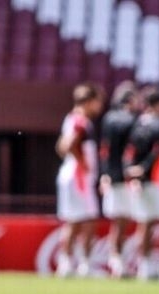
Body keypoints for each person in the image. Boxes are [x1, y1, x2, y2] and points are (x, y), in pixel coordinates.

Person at [124, 89, 159, 282]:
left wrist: (133, 171)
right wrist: (144, 169)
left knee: (145, 223)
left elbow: (129, 152)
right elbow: (158, 151)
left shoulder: (135, 124)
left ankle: (145, 267)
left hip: (140, 181)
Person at [55, 83, 106, 278]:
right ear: (89, 101)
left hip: (71, 175)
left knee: (73, 221)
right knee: (88, 220)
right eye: (98, 101)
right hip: (79, 179)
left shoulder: (70, 118)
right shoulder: (81, 121)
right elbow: (68, 145)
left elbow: (60, 146)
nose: (100, 106)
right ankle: (84, 264)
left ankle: (66, 263)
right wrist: (82, 162)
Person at [99, 82, 142, 278]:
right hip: (128, 178)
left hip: (113, 176)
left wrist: (104, 174)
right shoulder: (133, 120)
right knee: (136, 221)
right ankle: (132, 263)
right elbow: (132, 151)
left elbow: (105, 150)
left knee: (118, 222)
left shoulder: (108, 119)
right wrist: (133, 174)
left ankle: (117, 261)